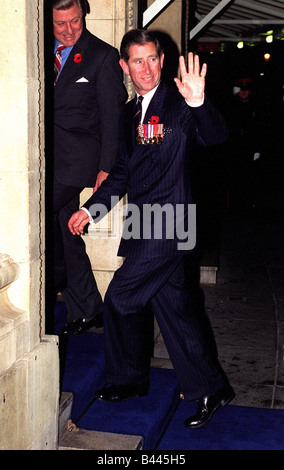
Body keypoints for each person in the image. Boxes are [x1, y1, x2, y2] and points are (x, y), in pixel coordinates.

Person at [68, 29, 235, 428]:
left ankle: (128, 379)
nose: (146, 68)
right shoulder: (129, 113)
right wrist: (92, 210)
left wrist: (199, 101)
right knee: (175, 312)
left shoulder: (179, 101)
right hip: (142, 224)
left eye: (152, 59)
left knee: (121, 299)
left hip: (171, 225)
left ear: (162, 60)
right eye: (137, 61)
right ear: (125, 65)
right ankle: (212, 388)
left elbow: (215, 136)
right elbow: (123, 171)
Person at [51, 0, 127, 335]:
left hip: (76, 162)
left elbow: (113, 118)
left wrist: (107, 167)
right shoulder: (39, 51)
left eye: (75, 21)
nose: (69, 30)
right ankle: (88, 308)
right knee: (66, 229)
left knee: (35, 219)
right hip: (44, 161)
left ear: (84, 15)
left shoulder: (102, 55)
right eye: (60, 24)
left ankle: (46, 292)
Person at [224, 78, 262, 212]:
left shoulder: (255, 106)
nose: (244, 93)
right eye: (241, 90)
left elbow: (258, 129)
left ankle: (247, 205)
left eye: (246, 90)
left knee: (248, 178)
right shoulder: (232, 105)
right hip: (234, 146)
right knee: (233, 177)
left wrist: (257, 149)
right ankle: (233, 205)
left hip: (248, 146)